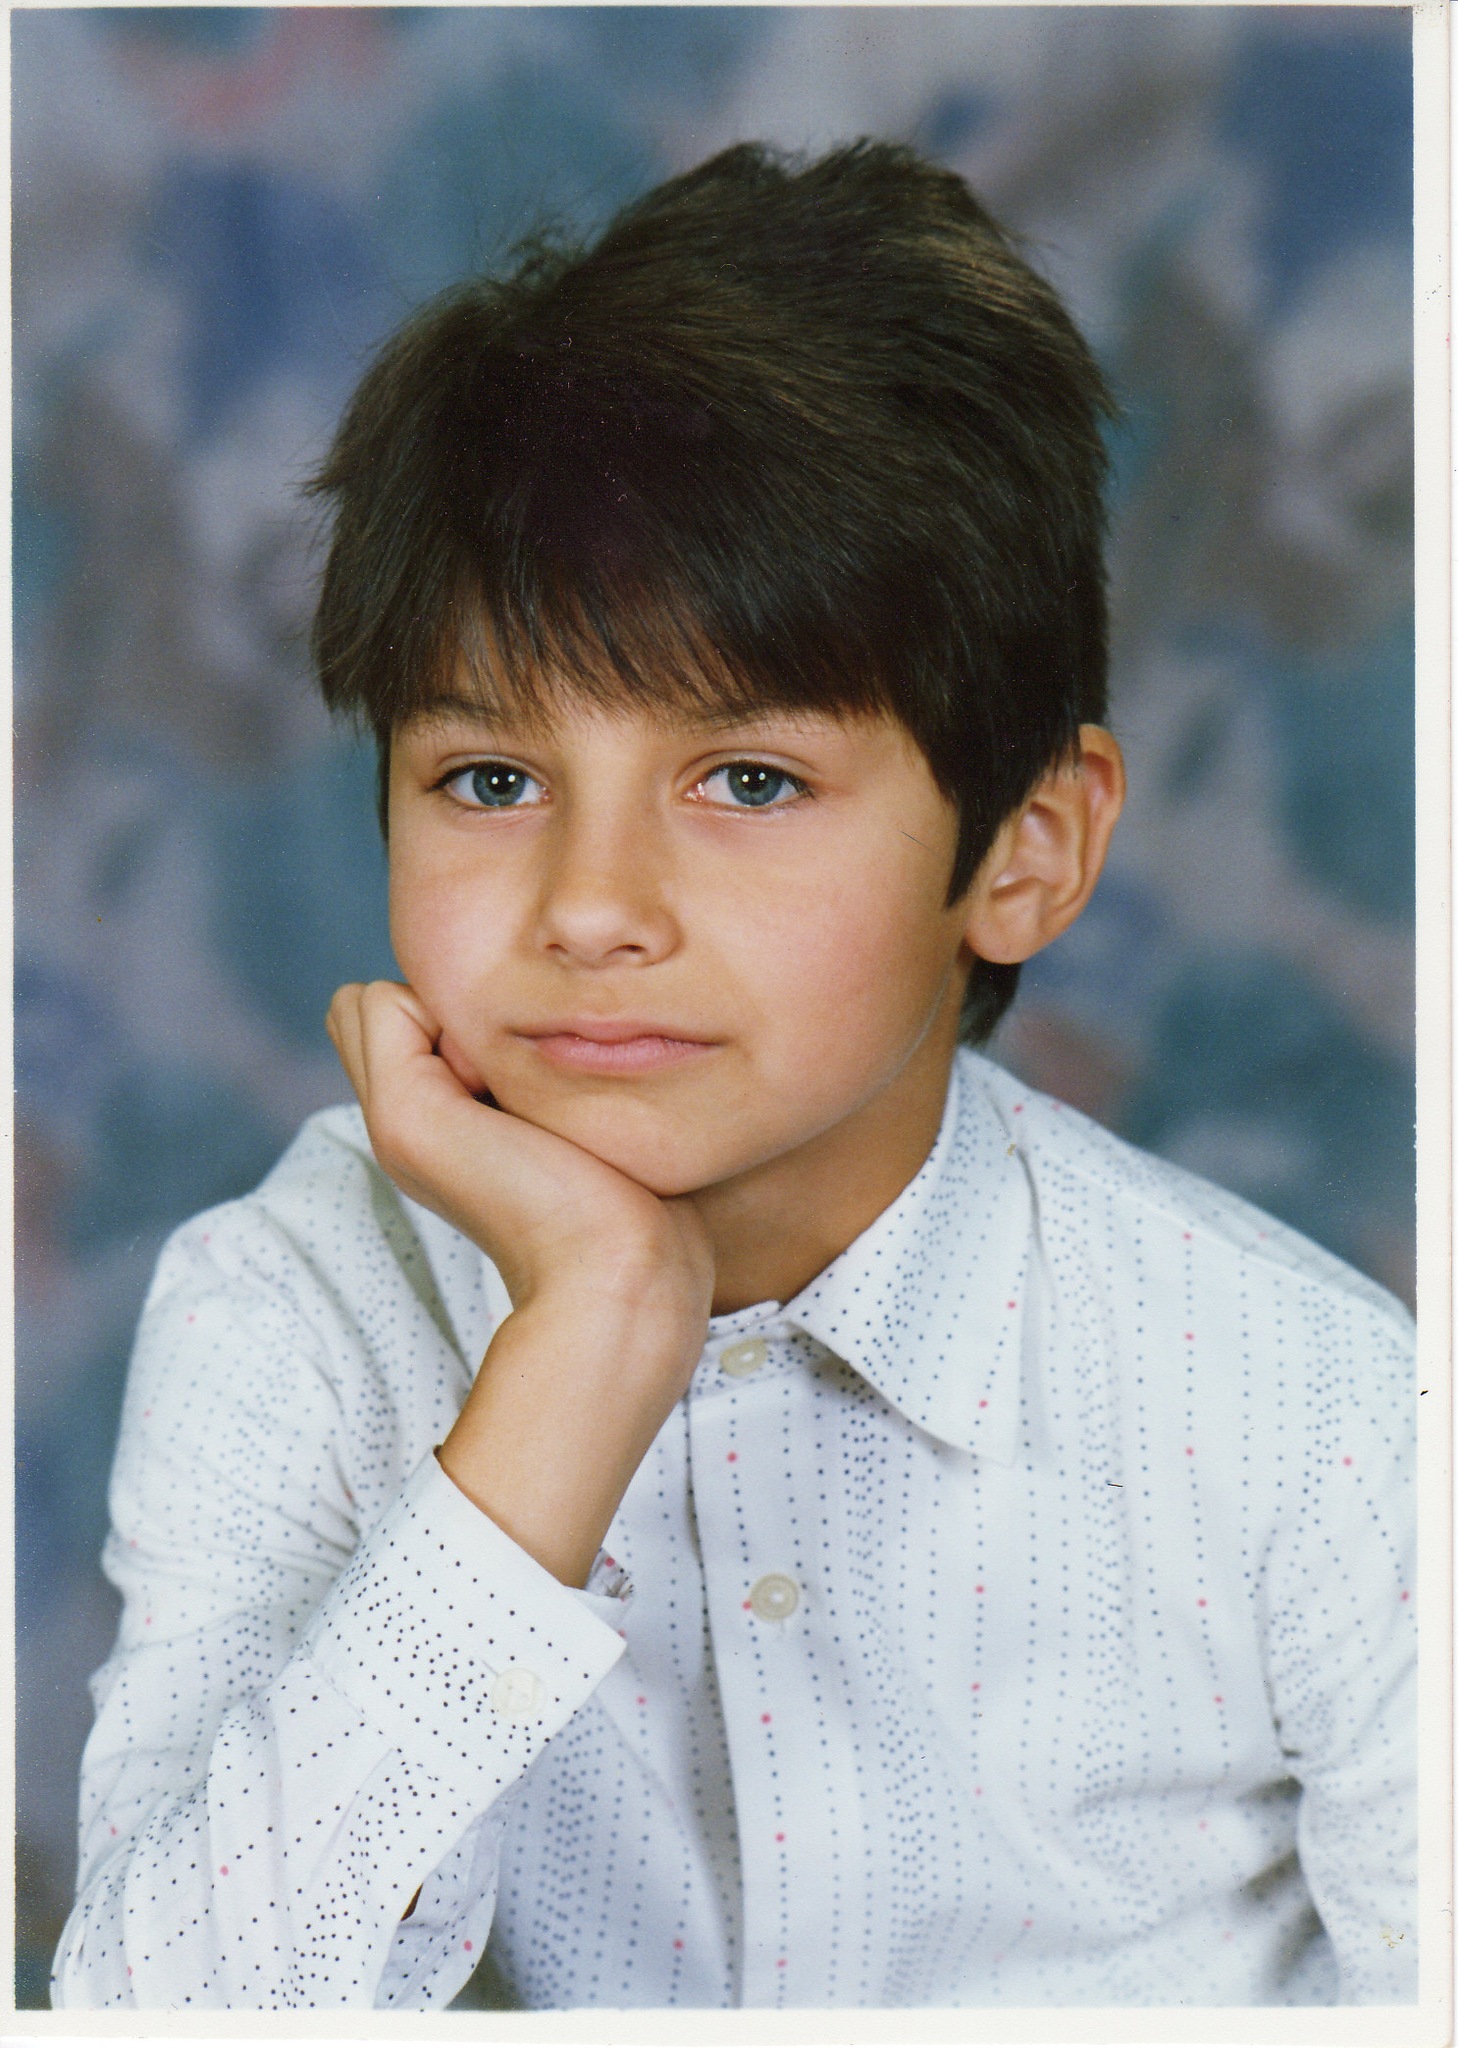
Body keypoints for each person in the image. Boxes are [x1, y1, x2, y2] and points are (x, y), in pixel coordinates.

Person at [53, 140, 1415, 2011]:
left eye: (749, 781)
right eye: (489, 780)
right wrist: (580, 1353)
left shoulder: (1311, 1415)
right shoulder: (291, 1309)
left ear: (1025, 848)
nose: (589, 907)